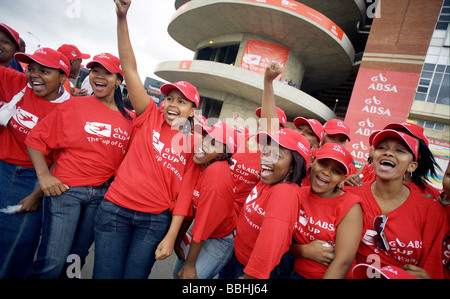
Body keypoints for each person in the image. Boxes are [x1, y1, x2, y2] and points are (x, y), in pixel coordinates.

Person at [92, 0, 201, 279]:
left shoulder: (195, 146)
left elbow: (185, 196)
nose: (173, 104)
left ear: (192, 111)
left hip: (153, 223)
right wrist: (122, 17)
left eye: (182, 101)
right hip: (115, 210)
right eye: (169, 98)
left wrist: (171, 236)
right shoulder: (149, 115)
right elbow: (128, 67)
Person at [25, 53, 134, 279]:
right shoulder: (74, 105)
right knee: (53, 260)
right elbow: (36, 139)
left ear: (118, 81)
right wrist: (44, 175)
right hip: (66, 191)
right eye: (95, 71)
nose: (99, 77)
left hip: (103, 197)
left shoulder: (130, 119)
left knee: (76, 257)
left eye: (107, 73)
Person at [0, 47, 70, 278]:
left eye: (44, 71)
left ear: (62, 78)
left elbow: (64, 161)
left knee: (18, 248)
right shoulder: (17, 82)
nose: (34, 75)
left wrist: (37, 194)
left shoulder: (71, 111)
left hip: (33, 182)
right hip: (2, 168)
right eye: (31, 69)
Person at [349, 129, 447, 279]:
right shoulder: (349, 194)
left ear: (412, 166)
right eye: (382, 148)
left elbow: (432, 269)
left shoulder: (432, 211)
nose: (388, 153)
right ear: (373, 156)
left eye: (400, 150)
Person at [289, 142, 363, 279]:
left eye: (336, 171)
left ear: (343, 178)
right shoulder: (297, 194)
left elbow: (343, 262)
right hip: (295, 272)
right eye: (323, 164)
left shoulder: (350, 205)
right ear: (312, 162)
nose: (326, 172)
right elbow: (283, 241)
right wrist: (304, 250)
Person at [174, 122, 237, 279]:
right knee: (177, 275)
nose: (204, 144)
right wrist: (178, 240)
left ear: (224, 154)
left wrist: (190, 265)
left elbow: (202, 225)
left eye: (214, 143)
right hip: (202, 229)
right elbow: (190, 209)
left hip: (220, 238)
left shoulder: (216, 175)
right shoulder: (202, 165)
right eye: (205, 137)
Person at [383, 122, 441, 199]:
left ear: (419, 154)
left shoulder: (430, 194)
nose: (389, 152)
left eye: (407, 140)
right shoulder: (366, 175)